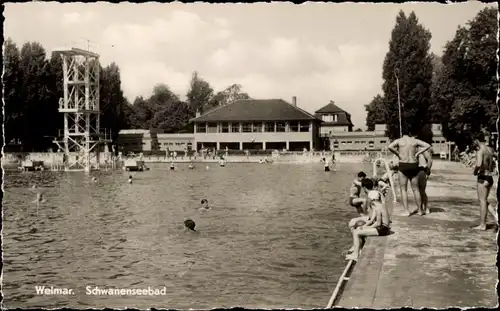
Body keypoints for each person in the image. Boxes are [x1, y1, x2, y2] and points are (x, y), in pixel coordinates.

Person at [388, 130, 431, 216]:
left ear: (402, 134)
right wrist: (418, 152)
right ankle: (420, 210)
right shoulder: (415, 141)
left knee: (403, 189)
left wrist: (397, 153)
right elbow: (428, 145)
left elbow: (390, 146)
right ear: (410, 133)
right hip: (414, 165)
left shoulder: (399, 141)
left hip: (403, 165)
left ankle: (406, 211)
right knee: (416, 189)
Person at [346, 178, 391, 261]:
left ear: (371, 199)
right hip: (382, 227)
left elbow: (378, 223)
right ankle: (356, 248)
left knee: (356, 233)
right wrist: (365, 226)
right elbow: (372, 220)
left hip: (383, 229)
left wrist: (367, 228)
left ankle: (355, 255)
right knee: (359, 229)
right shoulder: (378, 205)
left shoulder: (378, 207)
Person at [473, 134, 497, 230]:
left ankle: (483, 224)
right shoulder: (490, 150)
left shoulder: (480, 151)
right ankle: (496, 216)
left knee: (482, 201)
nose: (473, 143)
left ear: (477, 140)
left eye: (474, 141)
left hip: (483, 177)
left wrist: (475, 171)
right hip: (490, 177)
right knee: (485, 200)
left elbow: (478, 164)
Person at [416, 147, 433, 215]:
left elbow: (430, 160)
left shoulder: (421, 149)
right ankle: (420, 207)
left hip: (422, 170)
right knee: (417, 191)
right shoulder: (411, 148)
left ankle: (426, 207)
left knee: (422, 190)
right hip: (414, 171)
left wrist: (428, 171)